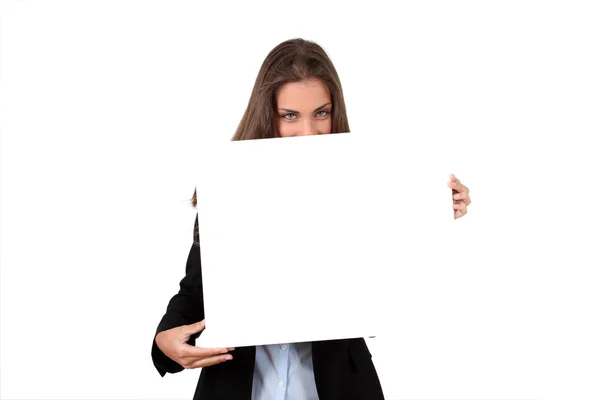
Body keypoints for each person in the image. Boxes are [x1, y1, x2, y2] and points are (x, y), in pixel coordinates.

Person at [151, 38, 472, 400]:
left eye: (321, 112)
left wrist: (432, 213)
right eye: (290, 115)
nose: (308, 132)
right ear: (266, 114)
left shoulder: (365, 186)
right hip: (240, 386)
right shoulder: (229, 186)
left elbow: (393, 284)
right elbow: (197, 289)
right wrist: (165, 339)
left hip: (336, 387)